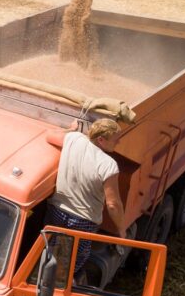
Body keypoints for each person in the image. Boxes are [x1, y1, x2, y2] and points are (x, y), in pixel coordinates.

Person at [45, 118, 126, 278]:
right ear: (101, 140)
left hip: (56, 210)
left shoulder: (74, 139)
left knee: (51, 249)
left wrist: (71, 128)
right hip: (82, 221)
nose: (119, 143)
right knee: (71, 263)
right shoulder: (108, 164)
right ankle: (57, 289)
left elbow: (49, 135)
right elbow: (112, 204)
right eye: (116, 140)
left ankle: (44, 277)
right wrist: (121, 230)